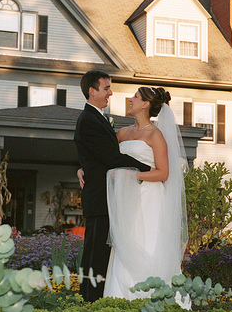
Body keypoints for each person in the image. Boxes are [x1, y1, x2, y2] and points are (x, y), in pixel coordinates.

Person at [77, 86, 189, 306]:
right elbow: (104, 157)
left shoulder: (155, 135)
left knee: (145, 242)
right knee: (123, 245)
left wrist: (134, 176)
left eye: (135, 97)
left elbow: (163, 173)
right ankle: (120, 301)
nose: (130, 99)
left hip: (148, 198)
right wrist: (83, 169)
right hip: (126, 200)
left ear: (145, 104)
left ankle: (153, 300)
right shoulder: (122, 133)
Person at [73, 71, 151, 302]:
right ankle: (90, 302)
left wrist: (82, 166)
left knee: (99, 254)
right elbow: (111, 157)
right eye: (106, 88)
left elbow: (96, 155)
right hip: (100, 199)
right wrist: (148, 168)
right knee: (95, 255)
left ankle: (93, 300)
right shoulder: (88, 120)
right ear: (92, 91)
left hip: (107, 197)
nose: (111, 92)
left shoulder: (97, 118)